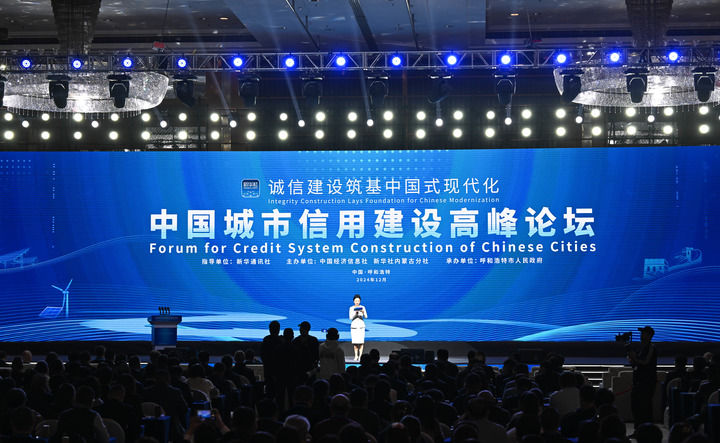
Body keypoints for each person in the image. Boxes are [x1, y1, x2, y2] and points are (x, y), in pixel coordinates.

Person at [627, 325, 658, 427]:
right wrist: (631, 357)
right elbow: (637, 363)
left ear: (649, 335)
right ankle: (638, 428)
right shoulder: (642, 348)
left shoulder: (651, 347)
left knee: (644, 406)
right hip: (639, 381)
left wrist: (634, 358)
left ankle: (646, 429)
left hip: (646, 382)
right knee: (636, 406)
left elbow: (645, 362)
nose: (641, 335)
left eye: (643, 333)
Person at [348, 294, 368, 361]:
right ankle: (356, 355)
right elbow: (350, 318)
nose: (357, 302)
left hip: (361, 326)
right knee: (355, 342)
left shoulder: (362, 307)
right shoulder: (351, 308)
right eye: (356, 301)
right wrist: (355, 313)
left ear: (360, 301)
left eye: (358, 301)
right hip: (354, 326)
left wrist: (363, 312)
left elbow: (366, 317)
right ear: (353, 301)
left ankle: (360, 356)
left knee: (361, 342)